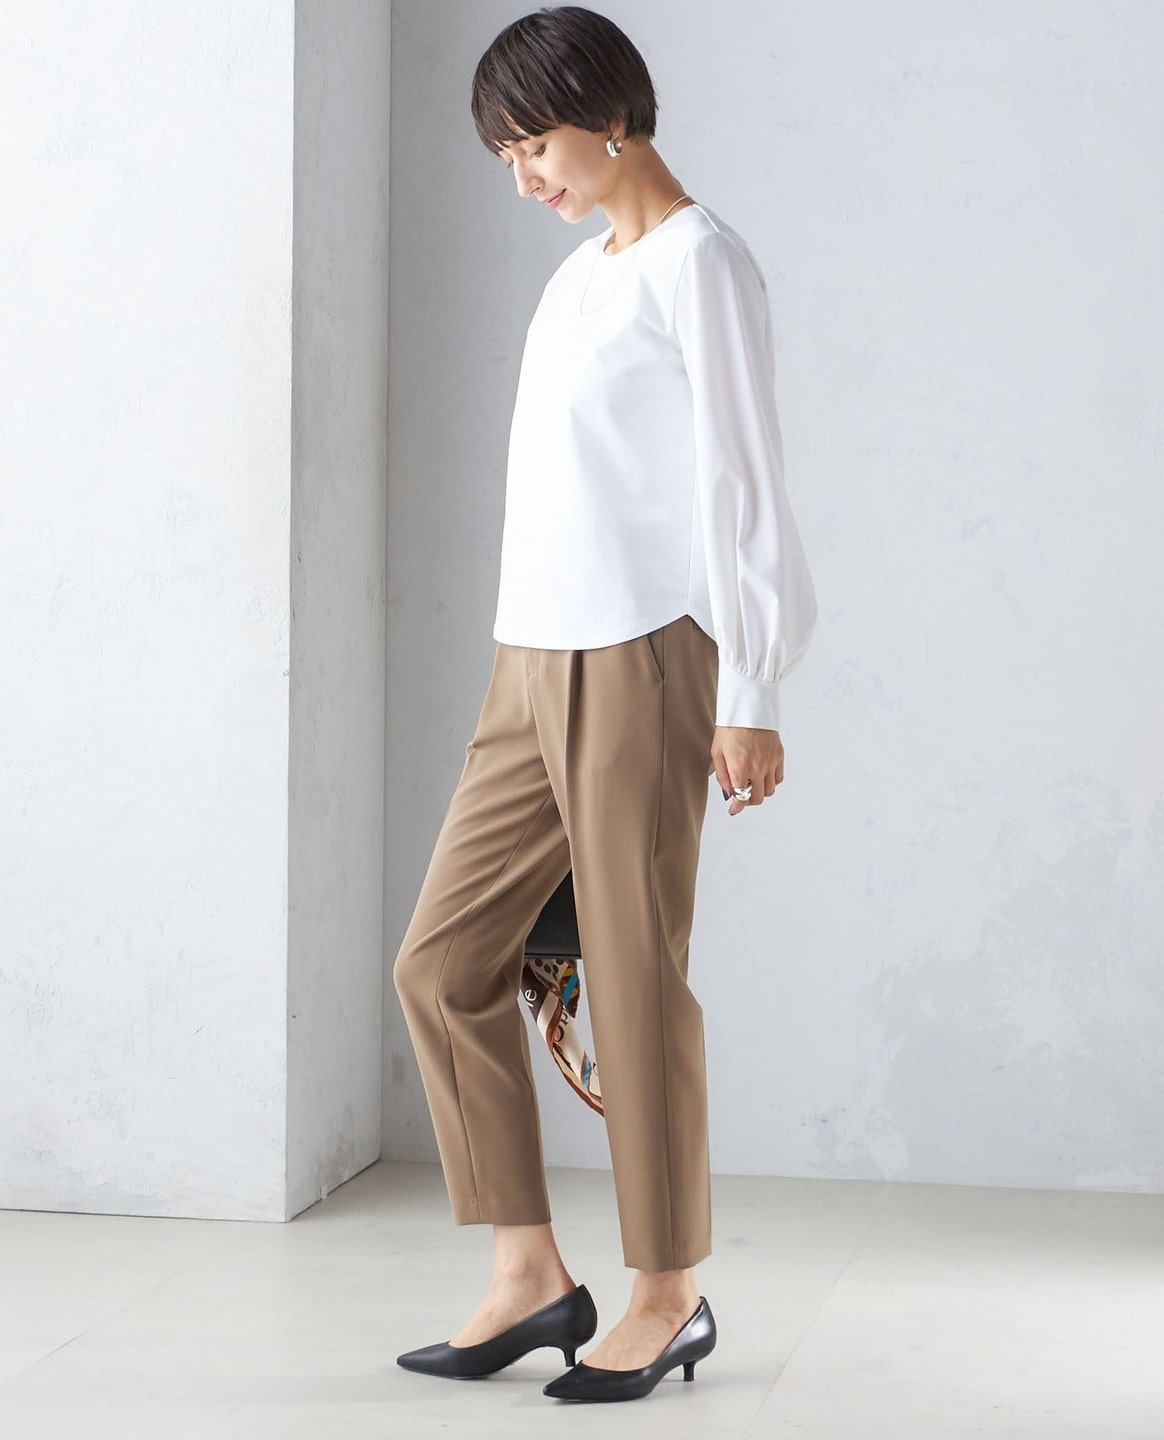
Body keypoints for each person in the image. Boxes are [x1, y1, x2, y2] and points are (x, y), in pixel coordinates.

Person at [392, 4, 818, 1404]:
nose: (524, 178)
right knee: (442, 964)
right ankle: (529, 1275)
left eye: (534, 145)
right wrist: (517, 659)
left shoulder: (702, 264)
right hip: (532, 655)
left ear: (612, 115)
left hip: (646, 654)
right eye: (505, 157)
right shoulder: (582, 277)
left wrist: (751, 688)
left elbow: (743, 485)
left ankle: (667, 1294)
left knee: (634, 979)